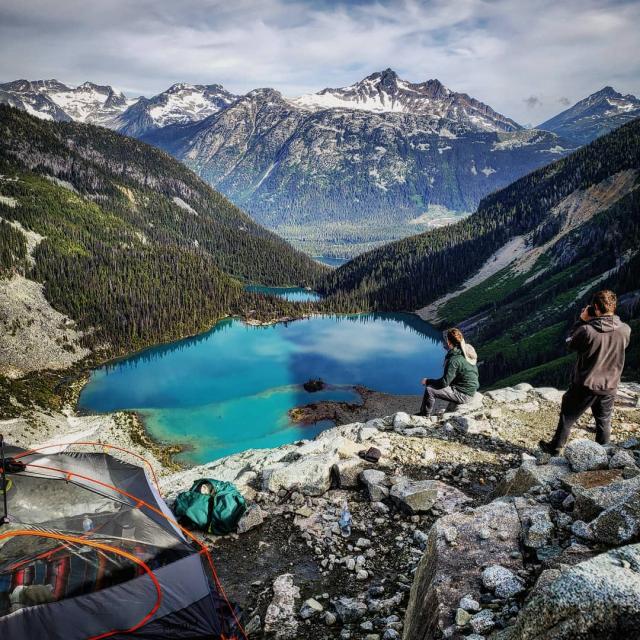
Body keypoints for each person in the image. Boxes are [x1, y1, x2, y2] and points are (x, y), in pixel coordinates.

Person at [539, 290, 631, 455]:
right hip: (610, 385)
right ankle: (603, 454)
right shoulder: (625, 329)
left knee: (568, 416)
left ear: (595, 307)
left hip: (585, 384)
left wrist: (581, 320)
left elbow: (570, 343)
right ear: (614, 306)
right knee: (603, 421)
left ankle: (555, 447)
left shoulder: (587, 330)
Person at [418, 328, 479, 416]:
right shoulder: (465, 352)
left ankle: (424, 416)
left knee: (430, 389)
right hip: (470, 390)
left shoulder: (454, 360)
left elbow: (444, 383)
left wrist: (427, 381)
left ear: (448, 341)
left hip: (464, 394)